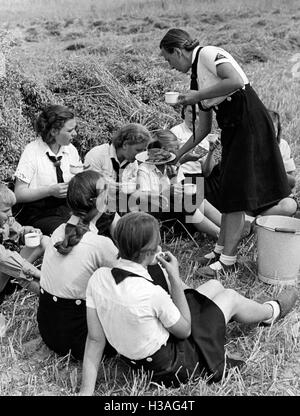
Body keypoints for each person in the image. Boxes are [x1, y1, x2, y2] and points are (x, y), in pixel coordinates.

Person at [79, 212, 297, 395]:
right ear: (150, 252)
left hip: (134, 357)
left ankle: (254, 310)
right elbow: (184, 330)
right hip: (171, 362)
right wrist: (173, 277)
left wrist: (85, 392)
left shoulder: (99, 278)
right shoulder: (152, 293)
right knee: (229, 296)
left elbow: (95, 338)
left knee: (213, 286)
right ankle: (271, 311)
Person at [159, 29, 291, 278]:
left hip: (248, 123)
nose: (170, 65)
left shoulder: (209, 54)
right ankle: (219, 251)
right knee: (231, 189)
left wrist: (196, 96)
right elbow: (203, 129)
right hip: (231, 128)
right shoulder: (196, 78)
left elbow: (235, 82)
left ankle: (227, 261)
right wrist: (177, 156)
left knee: (236, 194)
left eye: (168, 59)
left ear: (177, 51)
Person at [37, 170, 118, 360]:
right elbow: (131, 277)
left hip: (49, 330)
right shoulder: (100, 244)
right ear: (100, 202)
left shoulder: (57, 231)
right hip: (80, 340)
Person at [137, 129, 221, 239]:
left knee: (196, 198)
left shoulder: (172, 166)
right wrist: (167, 191)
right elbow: (142, 198)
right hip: (156, 212)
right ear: (162, 150)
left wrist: (174, 179)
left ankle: (226, 228)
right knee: (189, 205)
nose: (178, 152)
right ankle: (221, 235)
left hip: (172, 206)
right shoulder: (144, 169)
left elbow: (177, 194)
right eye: (175, 149)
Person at [14, 105, 83, 236]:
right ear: (54, 131)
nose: (75, 134)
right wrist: (49, 191)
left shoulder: (70, 150)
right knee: (71, 231)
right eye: (70, 130)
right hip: (40, 214)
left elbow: (80, 178)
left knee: (104, 215)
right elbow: (18, 194)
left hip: (67, 208)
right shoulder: (32, 152)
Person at [84, 123, 152, 216]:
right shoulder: (97, 155)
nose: (141, 155)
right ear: (125, 145)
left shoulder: (133, 163)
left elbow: (133, 188)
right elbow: (88, 187)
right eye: (138, 150)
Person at [247, 110, 297, 218]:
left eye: (273, 129)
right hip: (253, 198)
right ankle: (253, 220)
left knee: (290, 206)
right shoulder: (249, 144)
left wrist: (273, 171)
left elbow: (292, 182)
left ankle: (257, 219)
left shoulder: (283, 145)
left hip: (275, 197)